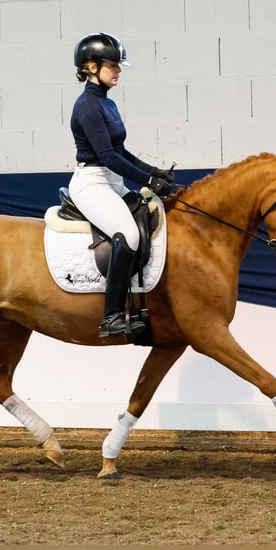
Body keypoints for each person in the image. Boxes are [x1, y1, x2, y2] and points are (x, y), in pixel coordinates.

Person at [68, 32, 174, 338]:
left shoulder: (107, 104)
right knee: (127, 233)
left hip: (111, 181)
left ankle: (140, 300)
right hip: (92, 183)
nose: (118, 70)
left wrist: (154, 171)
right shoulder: (87, 106)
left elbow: (121, 152)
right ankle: (111, 315)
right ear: (90, 66)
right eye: (112, 65)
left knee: (148, 220)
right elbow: (106, 156)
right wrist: (148, 180)